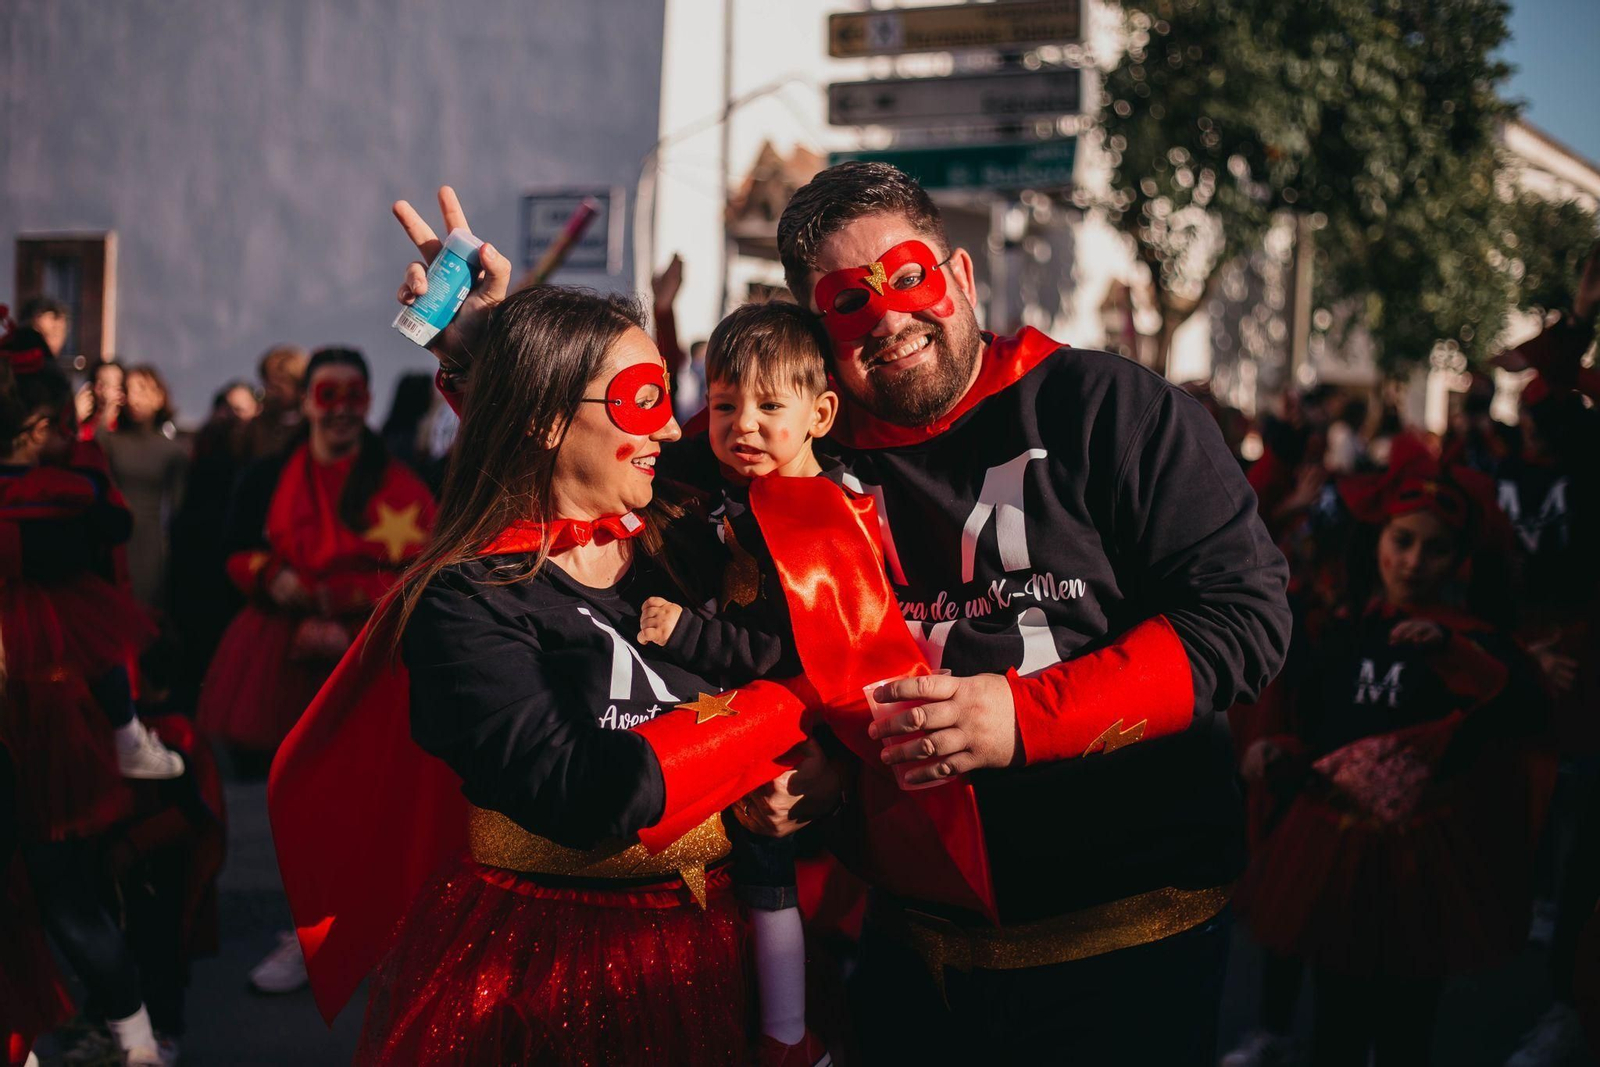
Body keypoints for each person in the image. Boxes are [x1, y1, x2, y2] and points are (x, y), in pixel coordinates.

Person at [754, 162, 1291, 1063]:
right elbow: (615, 475)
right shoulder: (794, 448)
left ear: (961, 277)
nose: (889, 318)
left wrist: (1024, 716)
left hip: (1127, 948)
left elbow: (1245, 619)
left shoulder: (1109, 405)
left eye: (910, 276)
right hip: (912, 956)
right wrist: (482, 351)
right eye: (848, 303)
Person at [272, 277, 844, 1063]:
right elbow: (587, 790)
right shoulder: (464, 600)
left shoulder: (686, 534)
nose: (672, 433)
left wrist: (826, 770)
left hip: (707, 941)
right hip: (540, 961)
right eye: (644, 399)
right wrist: (783, 709)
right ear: (544, 419)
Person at [1233, 444, 1550, 1065]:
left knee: (1409, 1026)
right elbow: (1321, 730)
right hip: (1334, 852)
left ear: (1460, 561)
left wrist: (1456, 659)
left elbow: (1515, 727)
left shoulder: (1477, 645)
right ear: (1377, 537)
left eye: (1435, 549)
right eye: (1402, 540)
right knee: (1336, 1021)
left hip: (1424, 866)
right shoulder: (1339, 629)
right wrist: (1279, 752)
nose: (1412, 562)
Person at [635, 301, 840, 1065]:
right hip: (721, 714)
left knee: (765, 877)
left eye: (767, 406)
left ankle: (789, 1034)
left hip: (777, 727)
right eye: (724, 405)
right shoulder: (721, 486)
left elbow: (784, 649)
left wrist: (685, 632)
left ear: (820, 413)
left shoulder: (819, 517)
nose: (743, 423)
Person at [0, 333, 178, 1067]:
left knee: (58, 888)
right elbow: (108, 533)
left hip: (41, 709)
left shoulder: (55, 499)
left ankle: (122, 1038)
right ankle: (128, 1038)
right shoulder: (62, 495)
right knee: (64, 888)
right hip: (48, 711)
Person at [101, 365, 188, 612]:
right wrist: (106, 413)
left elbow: (178, 510)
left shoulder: (173, 452)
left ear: (160, 396)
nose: (135, 398)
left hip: (149, 543)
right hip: (112, 538)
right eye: (129, 390)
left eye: (144, 389)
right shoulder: (110, 441)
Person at [239, 344, 308, 462]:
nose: (270, 392)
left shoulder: (313, 425)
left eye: (278, 386)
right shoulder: (257, 427)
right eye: (268, 384)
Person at [77, 358, 124, 441]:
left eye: (106, 383)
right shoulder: (85, 420)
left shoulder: (126, 424)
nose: (99, 389)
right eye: (97, 383)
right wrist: (77, 415)